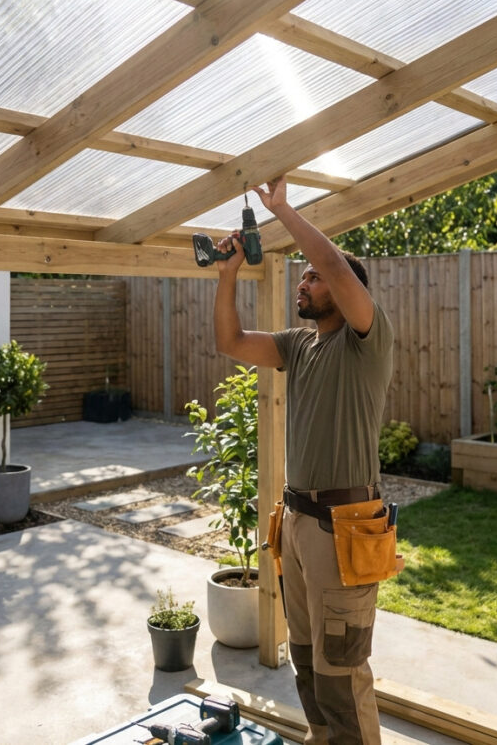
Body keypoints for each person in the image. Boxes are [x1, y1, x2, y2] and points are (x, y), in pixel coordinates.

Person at [212, 176, 394, 745]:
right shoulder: (299, 344)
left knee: (342, 669)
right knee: (307, 656)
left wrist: (283, 209)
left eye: (314, 277)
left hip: (344, 527)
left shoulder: (367, 340)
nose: (305, 281)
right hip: (295, 522)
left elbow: (337, 266)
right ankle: (321, 738)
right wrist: (227, 273)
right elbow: (231, 342)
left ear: (341, 291)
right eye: (305, 276)